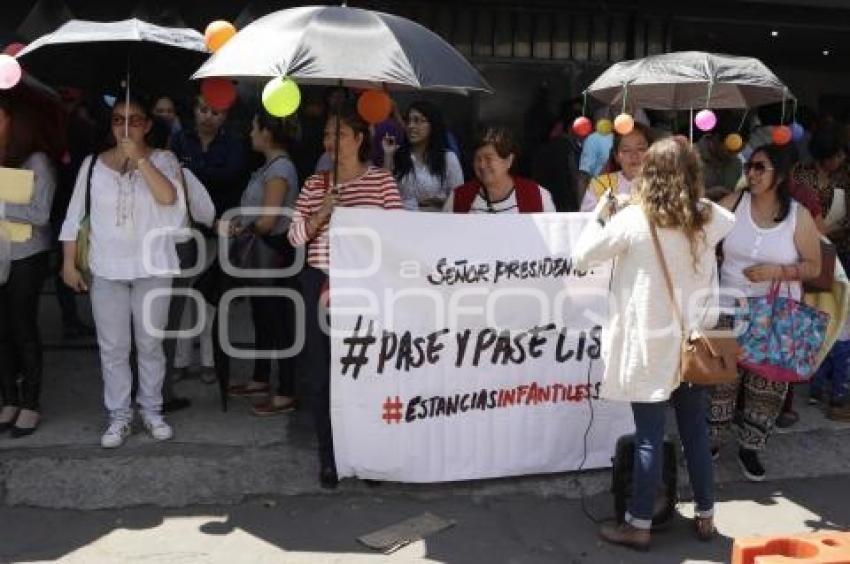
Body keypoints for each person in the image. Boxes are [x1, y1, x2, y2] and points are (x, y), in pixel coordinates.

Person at [573, 137, 734, 550]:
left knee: (649, 435)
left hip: (649, 346)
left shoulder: (634, 220)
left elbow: (582, 256)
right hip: (695, 344)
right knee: (695, 433)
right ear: (692, 173)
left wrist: (604, 211)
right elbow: (718, 213)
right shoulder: (707, 218)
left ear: (650, 173)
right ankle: (706, 517)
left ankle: (639, 523)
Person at [59, 94, 185, 449]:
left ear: (147, 125)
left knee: (150, 345)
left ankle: (152, 409)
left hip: (153, 266)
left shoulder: (164, 159)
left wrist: (140, 160)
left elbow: (169, 200)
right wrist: (68, 263)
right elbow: (73, 218)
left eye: (133, 119)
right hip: (107, 268)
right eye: (117, 119)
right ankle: (119, 415)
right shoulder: (92, 166)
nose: (125, 126)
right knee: (112, 347)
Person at [288, 101, 402, 488]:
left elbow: (398, 237)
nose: (330, 141)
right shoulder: (315, 183)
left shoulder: (382, 182)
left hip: (367, 289)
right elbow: (295, 237)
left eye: (339, 133)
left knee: (366, 372)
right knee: (321, 376)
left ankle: (368, 454)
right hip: (320, 283)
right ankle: (329, 456)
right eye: (326, 134)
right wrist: (322, 212)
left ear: (359, 138)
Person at [709, 144, 821, 481]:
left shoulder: (797, 216)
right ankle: (712, 441)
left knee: (766, 386)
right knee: (719, 381)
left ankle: (751, 447)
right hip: (727, 306)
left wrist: (777, 272)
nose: (751, 174)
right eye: (749, 167)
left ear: (781, 175)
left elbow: (814, 267)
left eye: (760, 167)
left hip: (775, 312)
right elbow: (701, 237)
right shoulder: (733, 203)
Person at [225, 109, 300, 416]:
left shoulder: (279, 169)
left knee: (276, 319)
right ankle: (260, 377)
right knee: (262, 316)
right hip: (263, 255)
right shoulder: (270, 166)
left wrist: (240, 227)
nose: (250, 133)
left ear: (267, 133)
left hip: (272, 253)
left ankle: (286, 391)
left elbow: (269, 221)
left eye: (254, 127)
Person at [170, 95, 247, 383]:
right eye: (203, 109)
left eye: (216, 112)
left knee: (209, 297)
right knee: (181, 294)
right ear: (194, 109)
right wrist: (191, 175)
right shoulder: (179, 139)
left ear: (225, 116)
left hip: (219, 228)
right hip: (184, 228)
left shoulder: (233, 144)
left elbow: (230, 176)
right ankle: (178, 359)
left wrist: (190, 172)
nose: (208, 116)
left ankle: (208, 360)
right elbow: (172, 176)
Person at [0, 95, 57, 437]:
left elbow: (41, 213)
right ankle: (9, 397)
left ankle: (31, 402)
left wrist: (2, 208)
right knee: (1, 330)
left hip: (27, 254)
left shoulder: (37, 162)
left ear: (15, 123)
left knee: (23, 328)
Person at [791, 124, 850, 421]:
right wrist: (834, 231)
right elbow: (811, 223)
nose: (841, 161)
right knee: (823, 314)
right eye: (837, 156)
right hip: (818, 250)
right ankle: (826, 386)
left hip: (829, 250)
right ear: (826, 158)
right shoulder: (807, 178)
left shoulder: (834, 176)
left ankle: (820, 383)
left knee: (825, 312)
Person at [444, 126, 556, 213]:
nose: (482, 165)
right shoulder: (458, 198)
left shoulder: (537, 196)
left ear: (508, 161)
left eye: (489, 159)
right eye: (478, 159)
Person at [382, 100, 463, 211]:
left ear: (432, 125)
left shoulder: (448, 158)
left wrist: (441, 202)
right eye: (408, 120)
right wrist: (388, 155)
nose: (411, 126)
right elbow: (384, 193)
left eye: (418, 121)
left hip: (437, 223)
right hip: (401, 221)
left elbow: (459, 199)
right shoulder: (397, 154)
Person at [580, 122, 652, 212]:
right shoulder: (600, 184)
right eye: (626, 150)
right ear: (616, 156)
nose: (634, 155)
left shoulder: (662, 184)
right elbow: (589, 219)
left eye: (641, 149)